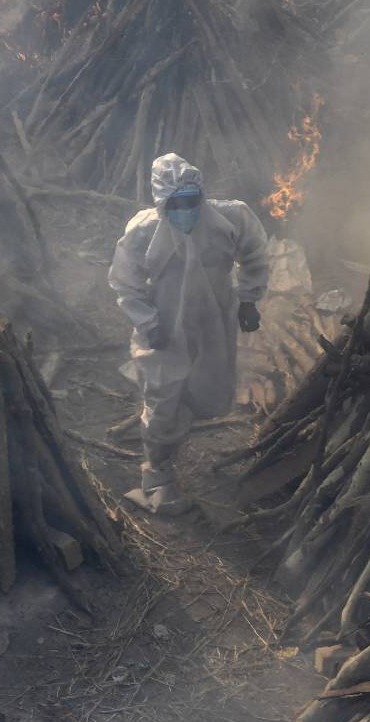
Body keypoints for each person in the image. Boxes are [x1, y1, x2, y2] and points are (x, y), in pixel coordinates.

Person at [108, 153, 270, 513]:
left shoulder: (231, 218)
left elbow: (255, 253)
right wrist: (148, 323)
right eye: (175, 204)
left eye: (191, 202)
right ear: (161, 203)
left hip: (215, 319)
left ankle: (174, 443)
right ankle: (157, 479)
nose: (184, 211)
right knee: (163, 395)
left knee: (208, 388)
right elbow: (125, 282)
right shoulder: (144, 231)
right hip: (167, 323)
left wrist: (248, 300)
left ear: (202, 196)